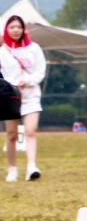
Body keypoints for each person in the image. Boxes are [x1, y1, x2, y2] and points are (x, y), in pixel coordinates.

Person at [2, 15, 46, 182]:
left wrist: (27, 81)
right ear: (6, 29)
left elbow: (40, 72)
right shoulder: (3, 51)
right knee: (11, 134)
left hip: (31, 95)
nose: (16, 30)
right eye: (12, 27)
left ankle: (31, 167)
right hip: (10, 96)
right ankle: (12, 169)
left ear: (24, 29)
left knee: (30, 131)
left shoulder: (34, 48)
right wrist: (10, 85)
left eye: (19, 27)